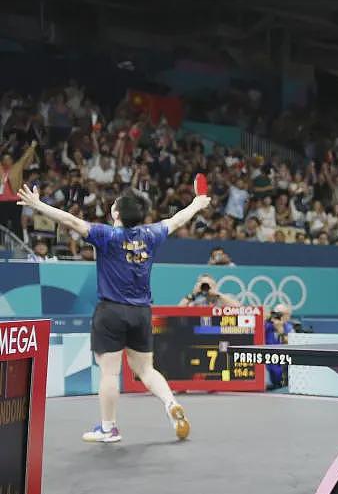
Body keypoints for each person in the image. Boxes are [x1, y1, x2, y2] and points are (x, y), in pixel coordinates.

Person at [17, 183, 211, 442]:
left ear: (116, 214)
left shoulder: (106, 235)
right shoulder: (152, 234)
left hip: (111, 312)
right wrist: (197, 204)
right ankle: (170, 404)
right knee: (146, 370)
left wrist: (37, 205)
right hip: (141, 312)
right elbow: (177, 220)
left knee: (109, 373)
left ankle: (108, 429)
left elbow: (69, 220)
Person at [264, 303, 293, 390]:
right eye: (275, 314)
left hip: (284, 369)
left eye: (280, 314)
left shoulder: (290, 329)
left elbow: (291, 345)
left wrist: (281, 331)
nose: (277, 317)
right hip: (269, 367)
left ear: (287, 317)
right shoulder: (266, 327)